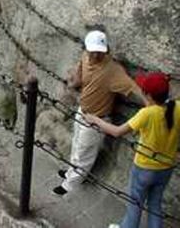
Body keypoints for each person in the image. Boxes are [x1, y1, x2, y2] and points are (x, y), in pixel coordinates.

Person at [86, 72, 180, 228]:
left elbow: (117, 131)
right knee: (155, 205)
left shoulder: (146, 114)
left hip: (144, 167)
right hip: (166, 167)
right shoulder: (179, 107)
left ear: (148, 95)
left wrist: (95, 119)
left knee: (135, 204)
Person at [53, 30, 148, 195]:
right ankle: (70, 173)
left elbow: (133, 87)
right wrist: (73, 81)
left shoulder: (113, 70)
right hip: (82, 110)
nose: (95, 55)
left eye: (99, 52)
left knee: (85, 153)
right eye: (93, 51)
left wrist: (150, 103)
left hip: (97, 119)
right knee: (76, 146)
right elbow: (79, 73)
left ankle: (70, 185)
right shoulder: (85, 56)